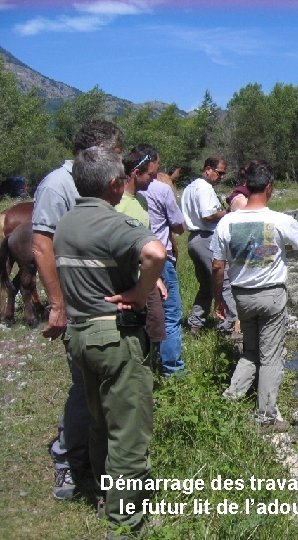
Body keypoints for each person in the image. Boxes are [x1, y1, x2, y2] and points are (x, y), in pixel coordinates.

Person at [54, 145, 166, 537]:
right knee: (129, 432)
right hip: (115, 337)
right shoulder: (112, 222)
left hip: (81, 335)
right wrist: (139, 292)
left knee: (100, 421)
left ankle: (104, 492)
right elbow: (155, 252)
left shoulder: (66, 223)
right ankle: (125, 519)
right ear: (115, 185)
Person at [31, 119, 124, 500]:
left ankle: (95, 458)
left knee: (99, 386)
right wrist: (58, 304)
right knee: (83, 385)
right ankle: (67, 461)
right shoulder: (58, 185)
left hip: (103, 304)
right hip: (78, 305)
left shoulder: (92, 182)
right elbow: (41, 246)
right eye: (117, 150)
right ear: (99, 149)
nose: (121, 158)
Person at [211, 160, 298, 430]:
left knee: (251, 350)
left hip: (242, 296)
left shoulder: (227, 223)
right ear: (269, 187)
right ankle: (267, 418)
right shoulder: (280, 220)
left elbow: (217, 266)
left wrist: (219, 299)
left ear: (247, 187)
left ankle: (228, 401)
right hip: (271, 297)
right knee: (271, 357)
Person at [117, 146, 167, 357]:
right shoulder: (117, 204)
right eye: (151, 175)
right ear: (136, 173)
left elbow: (147, 239)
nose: (153, 180)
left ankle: (150, 370)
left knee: (155, 325)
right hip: (126, 278)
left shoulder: (142, 201)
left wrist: (156, 277)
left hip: (146, 275)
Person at [141, 156, 187, 376]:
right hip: (161, 258)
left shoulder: (124, 192)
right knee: (170, 314)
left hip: (136, 259)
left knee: (143, 312)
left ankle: (145, 364)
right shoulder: (161, 189)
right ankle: (173, 369)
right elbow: (178, 228)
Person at [180, 156, 236, 335]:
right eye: (219, 173)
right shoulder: (204, 188)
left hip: (194, 240)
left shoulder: (190, 187)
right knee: (224, 280)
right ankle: (231, 324)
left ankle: (195, 324)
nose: (221, 177)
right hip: (205, 238)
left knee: (206, 286)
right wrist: (228, 212)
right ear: (208, 170)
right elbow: (207, 215)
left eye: (223, 174)